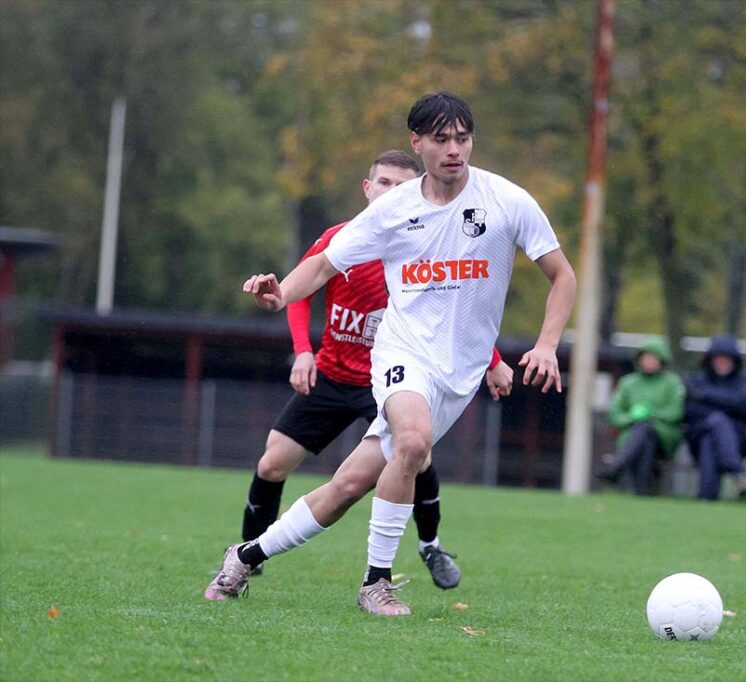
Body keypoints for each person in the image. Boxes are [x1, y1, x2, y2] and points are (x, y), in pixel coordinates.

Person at [206, 92, 576, 616]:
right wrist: (281, 293)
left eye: (463, 138)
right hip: (403, 354)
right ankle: (375, 583)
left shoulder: (507, 200)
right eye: (442, 139)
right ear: (417, 142)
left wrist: (546, 345)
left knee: (348, 486)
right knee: (414, 440)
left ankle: (244, 557)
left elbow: (562, 275)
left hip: (460, 375)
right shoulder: (393, 211)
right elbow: (323, 265)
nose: (455, 150)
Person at [238, 149, 514, 589]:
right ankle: (247, 556)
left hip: (388, 378)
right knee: (272, 462)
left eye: (401, 186)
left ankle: (430, 546)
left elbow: (456, 310)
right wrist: (302, 350)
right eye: (383, 183)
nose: (391, 192)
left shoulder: (422, 239)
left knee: (416, 453)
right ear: (368, 189)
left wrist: (493, 359)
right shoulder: (341, 239)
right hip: (330, 375)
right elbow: (303, 288)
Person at [598, 337, 684, 496]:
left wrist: (651, 413)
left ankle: (618, 467)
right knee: (644, 438)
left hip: (664, 437)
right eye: (646, 357)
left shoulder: (671, 383)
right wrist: (632, 417)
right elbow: (614, 413)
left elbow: (676, 412)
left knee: (647, 429)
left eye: (653, 357)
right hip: (633, 437)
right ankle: (641, 492)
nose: (649, 361)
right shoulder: (628, 383)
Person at [684, 334, 746, 501]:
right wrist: (726, 403)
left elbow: (742, 403)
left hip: (736, 442)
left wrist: (705, 396)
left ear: (734, 360)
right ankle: (737, 475)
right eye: (718, 358)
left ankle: (706, 498)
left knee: (712, 437)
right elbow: (691, 410)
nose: (722, 362)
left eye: (726, 358)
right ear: (711, 359)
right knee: (717, 421)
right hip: (698, 435)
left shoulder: (745, 381)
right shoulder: (698, 379)